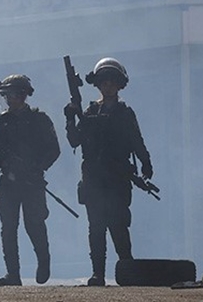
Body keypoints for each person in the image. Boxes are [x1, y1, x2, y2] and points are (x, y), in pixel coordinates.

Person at [64, 57, 154, 287]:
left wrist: (146, 163)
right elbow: (75, 140)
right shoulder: (89, 111)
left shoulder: (125, 112)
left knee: (119, 224)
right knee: (96, 228)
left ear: (119, 84)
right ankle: (98, 274)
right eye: (104, 82)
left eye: (112, 82)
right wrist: (70, 117)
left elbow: (137, 140)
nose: (108, 86)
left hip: (117, 178)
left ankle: (127, 269)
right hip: (94, 179)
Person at [0, 74, 61, 286]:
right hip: (8, 181)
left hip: (32, 181)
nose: (11, 99)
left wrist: (37, 168)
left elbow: (54, 149)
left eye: (15, 94)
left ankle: (44, 260)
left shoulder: (39, 119)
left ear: (24, 95)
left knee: (34, 223)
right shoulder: (1, 122)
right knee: (8, 227)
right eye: (7, 95)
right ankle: (13, 274)